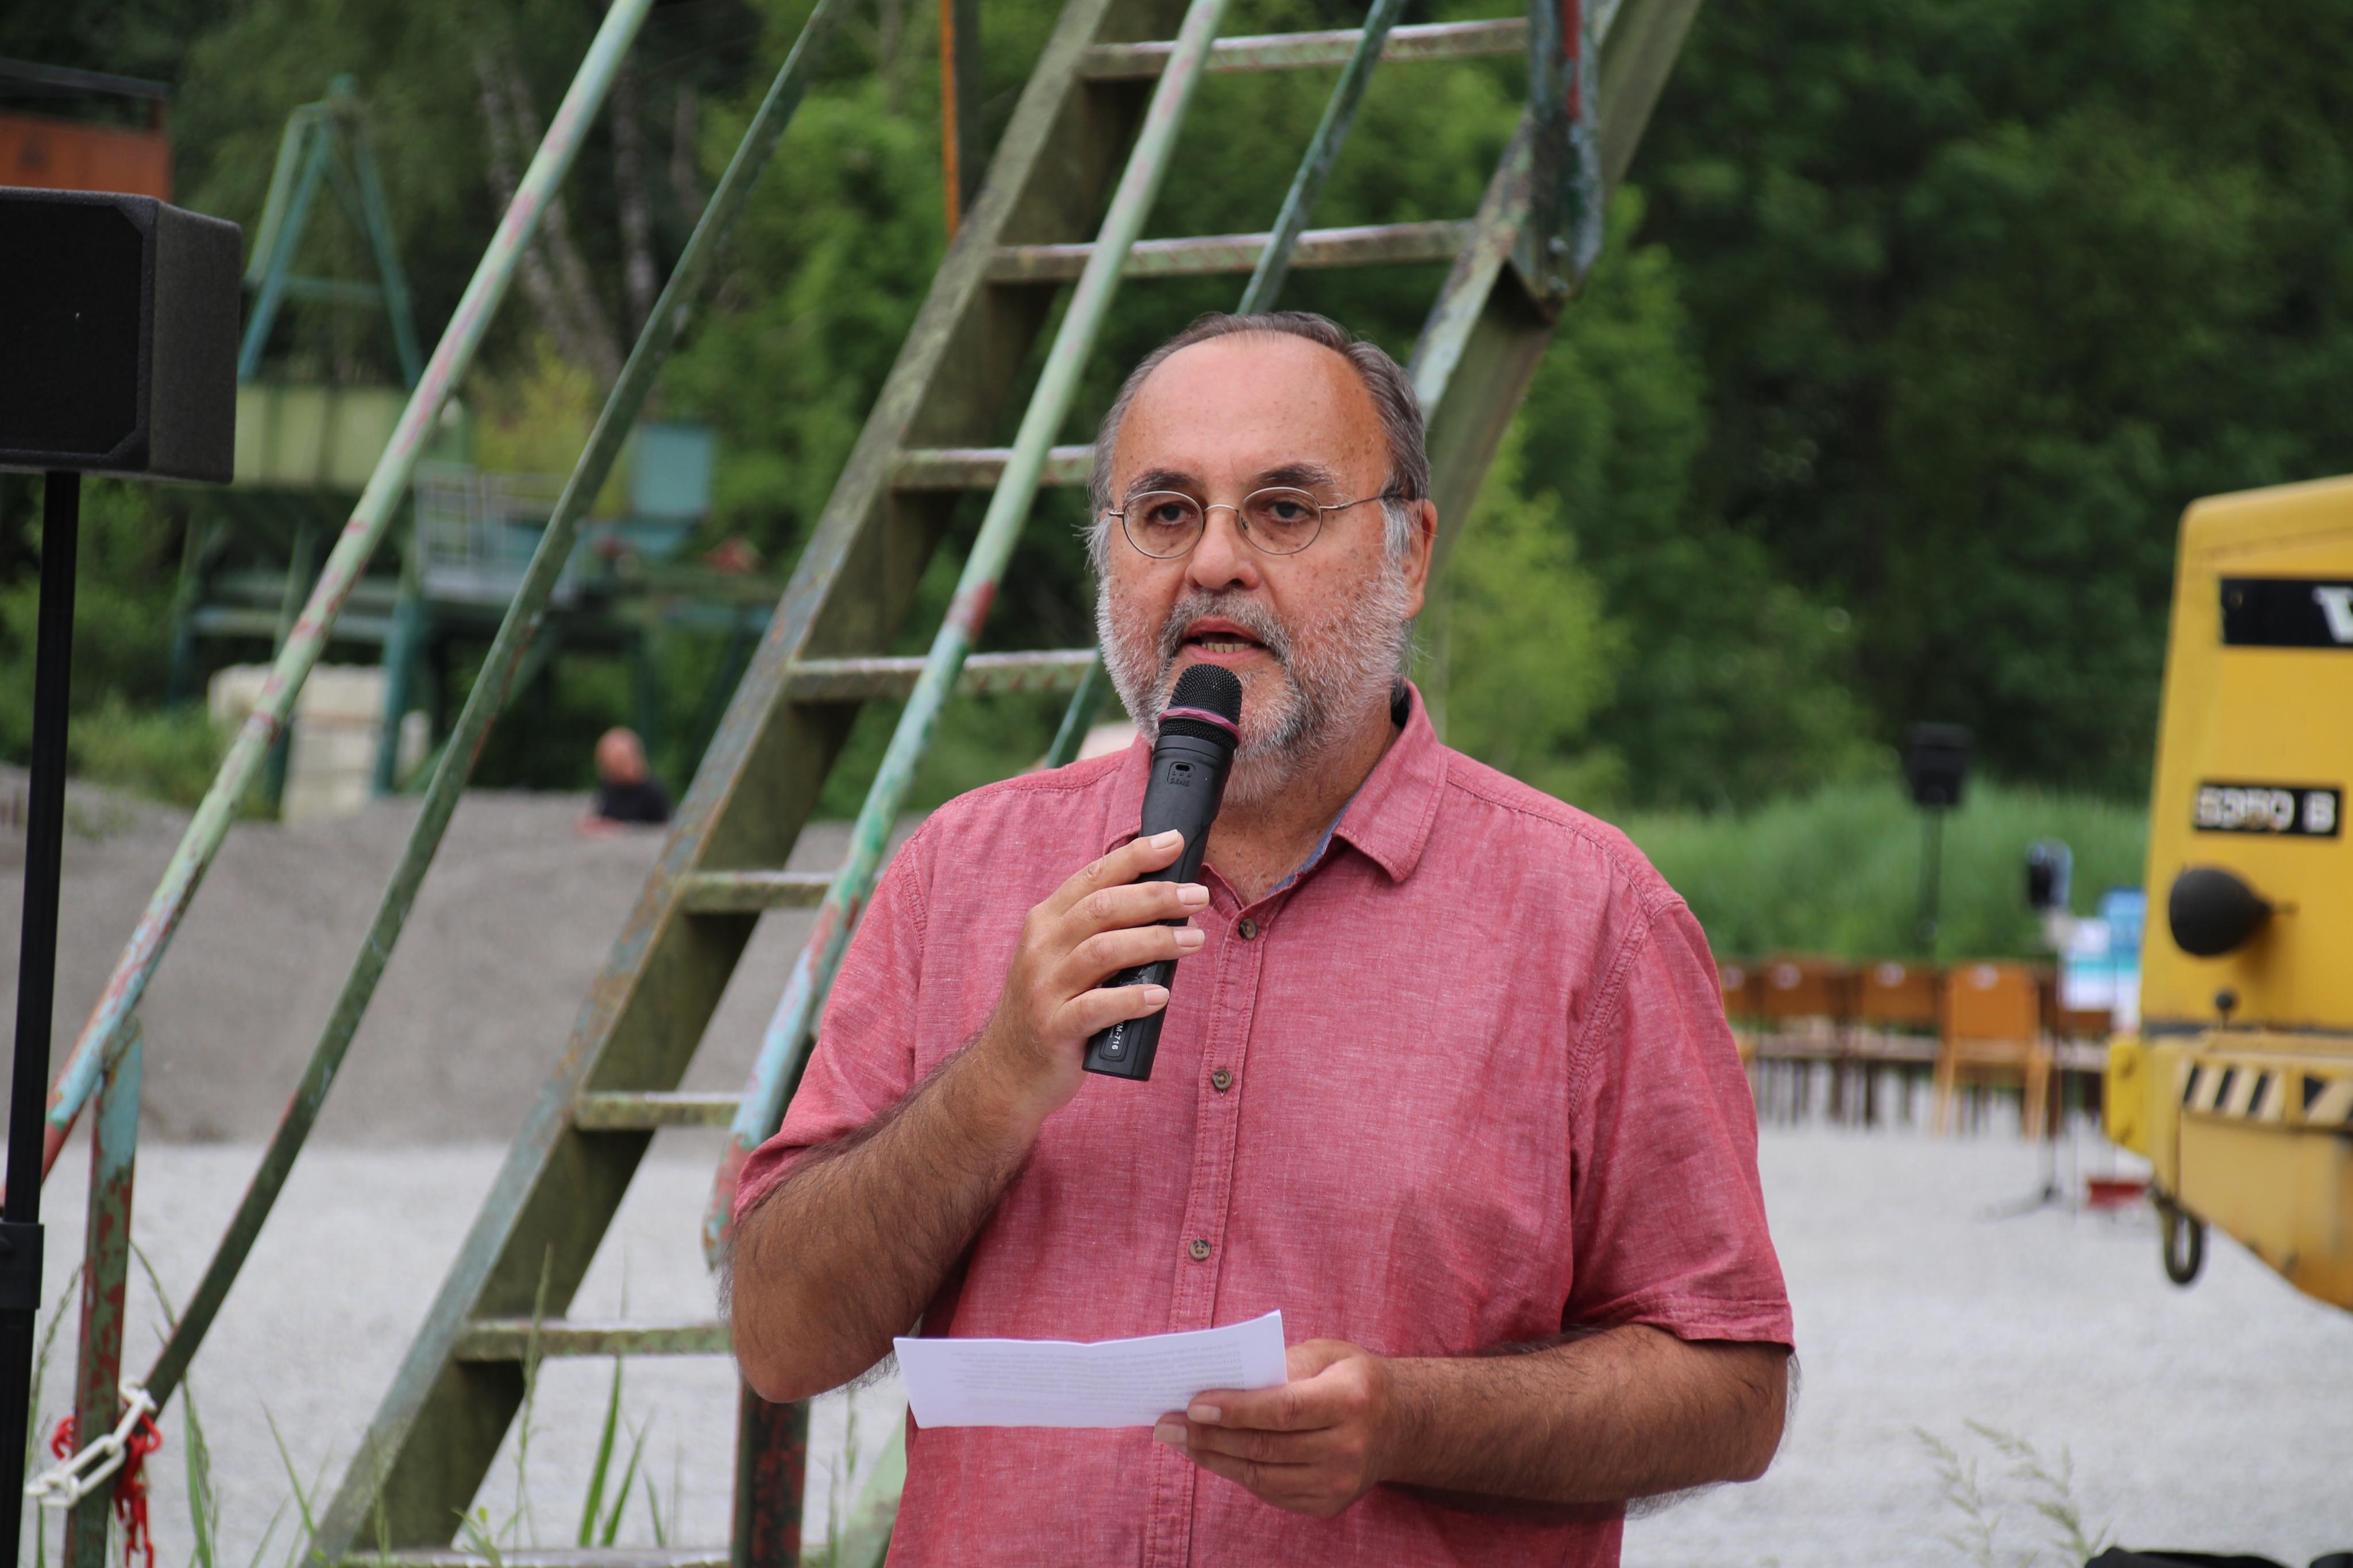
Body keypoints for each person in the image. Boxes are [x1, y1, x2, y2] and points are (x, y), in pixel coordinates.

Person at [727, 312, 1793, 1565]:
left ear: (1409, 552)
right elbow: (780, 1339)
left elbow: (1730, 1388)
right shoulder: (957, 872)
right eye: (1165, 513)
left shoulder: (1591, 915)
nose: (1215, 563)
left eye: (1283, 511)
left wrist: (1409, 1420)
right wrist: (996, 1079)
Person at [578, 727, 671, 835]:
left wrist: (620, 828)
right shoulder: (610, 787)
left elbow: (662, 829)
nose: (613, 771)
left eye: (620, 763)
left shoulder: (653, 792)